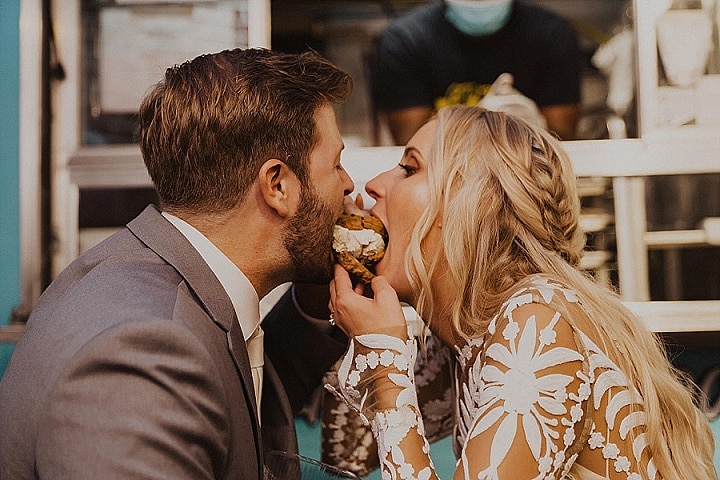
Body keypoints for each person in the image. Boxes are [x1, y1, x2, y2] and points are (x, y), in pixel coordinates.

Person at [0, 48, 355, 479]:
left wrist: (320, 302)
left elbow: (235, 385)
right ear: (277, 185)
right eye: (336, 165)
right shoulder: (144, 355)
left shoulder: (154, 278)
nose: (350, 185)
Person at [327, 106, 718, 479]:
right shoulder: (470, 333)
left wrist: (382, 355)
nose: (374, 185)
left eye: (409, 168)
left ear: (468, 207)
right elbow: (347, 453)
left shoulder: (534, 324)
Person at [370, 0, 581, 144]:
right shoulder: (405, 40)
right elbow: (410, 142)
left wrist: (535, 125)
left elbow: (563, 138)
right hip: (443, 183)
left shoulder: (553, 35)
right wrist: (476, 126)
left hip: (528, 178)